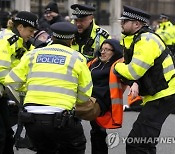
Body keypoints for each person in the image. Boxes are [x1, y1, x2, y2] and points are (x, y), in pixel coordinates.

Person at [4, 21, 93, 154]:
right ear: (72, 40)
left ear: (52, 37)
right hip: (62, 119)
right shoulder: (77, 59)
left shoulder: (32, 55)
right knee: (76, 146)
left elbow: (11, 82)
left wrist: (25, 98)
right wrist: (73, 102)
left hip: (32, 118)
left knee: (44, 150)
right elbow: (85, 94)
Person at [114, 5, 175, 154]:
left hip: (164, 95)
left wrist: (115, 67)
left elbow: (133, 71)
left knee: (137, 143)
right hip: (160, 94)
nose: (121, 24)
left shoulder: (146, 41)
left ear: (137, 24)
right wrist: (135, 83)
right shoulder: (137, 38)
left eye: (125, 21)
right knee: (145, 143)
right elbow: (143, 68)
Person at [0, 11, 38, 154]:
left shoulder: (21, 42)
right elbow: (2, 71)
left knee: (8, 135)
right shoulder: (6, 41)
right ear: (20, 27)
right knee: (1, 136)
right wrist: (18, 90)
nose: (32, 34)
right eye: (30, 31)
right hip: (4, 91)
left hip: (3, 95)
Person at [88, 39, 124, 154]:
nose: (103, 52)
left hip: (102, 102)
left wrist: (135, 84)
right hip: (89, 98)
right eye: (102, 49)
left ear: (115, 52)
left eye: (107, 50)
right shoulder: (94, 62)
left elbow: (131, 77)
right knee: (96, 131)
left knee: (98, 131)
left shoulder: (119, 65)